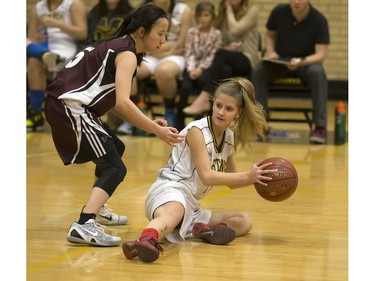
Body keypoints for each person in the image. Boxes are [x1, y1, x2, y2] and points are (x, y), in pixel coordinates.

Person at [44, 4, 184, 247]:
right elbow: (123, 102)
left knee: (115, 149)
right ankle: (85, 223)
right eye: (160, 33)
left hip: (67, 104)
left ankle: (95, 210)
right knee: (115, 167)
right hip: (70, 106)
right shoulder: (127, 53)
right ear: (142, 31)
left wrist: (150, 123)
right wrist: (156, 129)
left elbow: (119, 106)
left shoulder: (122, 47)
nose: (164, 39)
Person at [122, 77, 277, 263]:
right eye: (218, 105)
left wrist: (257, 177)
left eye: (229, 109)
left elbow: (230, 182)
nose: (221, 112)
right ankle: (146, 239)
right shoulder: (197, 130)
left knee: (244, 220)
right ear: (212, 103)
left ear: (238, 113)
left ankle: (204, 230)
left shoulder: (229, 137)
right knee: (172, 215)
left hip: (192, 205)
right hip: (170, 189)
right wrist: (248, 175)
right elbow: (207, 175)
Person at [251, 0, 330, 144]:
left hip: (306, 63)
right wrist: (270, 51)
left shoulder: (319, 20)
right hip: (281, 61)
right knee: (259, 71)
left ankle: (320, 127)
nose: (296, 2)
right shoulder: (278, 12)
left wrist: (301, 62)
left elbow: (321, 54)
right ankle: (260, 123)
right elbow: (269, 35)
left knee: (318, 73)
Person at [116, 0, 192, 132]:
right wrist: (157, 49)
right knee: (129, 70)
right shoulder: (147, 8)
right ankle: (133, 115)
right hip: (150, 54)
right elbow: (139, 39)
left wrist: (157, 49)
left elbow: (181, 45)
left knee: (164, 71)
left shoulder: (184, 10)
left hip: (174, 55)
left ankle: (169, 112)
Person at [182, 0, 260, 116]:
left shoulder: (252, 11)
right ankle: (211, 117)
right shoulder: (223, 15)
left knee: (220, 54)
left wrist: (228, 9)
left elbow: (235, 30)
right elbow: (218, 40)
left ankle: (204, 97)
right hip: (228, 59)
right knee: (224, 70)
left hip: (247, 58)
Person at [26, 0, 88, 131]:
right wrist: (35, 37)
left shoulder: (73, 4)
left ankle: (35, 113)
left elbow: (82, 33)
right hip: (43, 46)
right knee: (32, 57)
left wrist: (57, 24)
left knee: (33, 61)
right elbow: (31, 36)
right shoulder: (38, 6)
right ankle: (35, 115)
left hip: (64, 47)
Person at [78, 0, 136, 134]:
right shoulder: (95, 12)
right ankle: (88, 118)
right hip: (99, 54)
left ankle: (128, 121)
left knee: (129, 75)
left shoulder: (130, 13)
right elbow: (88, 38)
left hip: (121, 53)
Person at [175, 1, 222, 131]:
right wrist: (191, 69)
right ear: (196, 17)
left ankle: (200, 122)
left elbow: (213, 55)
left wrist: (200, 69)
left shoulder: (216, 34)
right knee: (185, 87)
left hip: (206, 68)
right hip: (191, 67)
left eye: (206, 15)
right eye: (200, 15)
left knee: (206, 84)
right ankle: (179, 121)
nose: (203, 18)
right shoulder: (191, 32)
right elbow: (188, 51)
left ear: (212, 16)